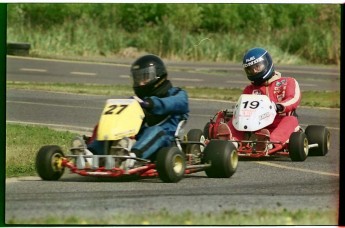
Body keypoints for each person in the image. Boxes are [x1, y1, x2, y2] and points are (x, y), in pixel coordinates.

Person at [87, 54, 189, 159]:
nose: (140, 82)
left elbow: (173, 103)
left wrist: (150, 103)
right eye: (137, 78)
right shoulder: (140, 100)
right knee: (114, 128)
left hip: (166, 139)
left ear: (158, 76)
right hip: (140, 137)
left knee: (155, 131)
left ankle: (132, 157)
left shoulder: (177, 94)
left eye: (144, 77)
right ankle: (90, 153)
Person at [211, 47, 301, 151]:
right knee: (236, 120)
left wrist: (279, 106)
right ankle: (231, 141)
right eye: (250, 69)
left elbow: (294, 98)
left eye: (257, 66)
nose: (254, 71)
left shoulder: (287, 82)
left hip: (279, 121)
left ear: (267, 63)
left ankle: (268, 143)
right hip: (255, 125)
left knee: (291, 120)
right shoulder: (250, 89)